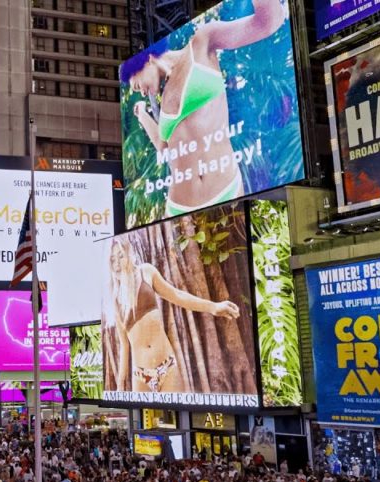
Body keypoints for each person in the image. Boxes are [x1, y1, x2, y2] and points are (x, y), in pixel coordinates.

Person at [120, 0, 287, 216]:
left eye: (136, 84)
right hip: (178, 208)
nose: (140, 91)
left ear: (148, 59)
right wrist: (143, 115)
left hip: (226, 190)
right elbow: (164, 149)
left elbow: (267, 22)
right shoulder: (164, 96)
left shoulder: (202, 41)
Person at [107, 238, 240, 393]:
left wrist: (213, 307)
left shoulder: (146, 272)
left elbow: (177, 295)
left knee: (176, 413)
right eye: (112, 259)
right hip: (141, 375)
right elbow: (124, 345)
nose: (117, 263)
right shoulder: (115, 298)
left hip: (167, 366)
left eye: (120, 256)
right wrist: (120, 386)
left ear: (129, 254)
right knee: (143, 416)